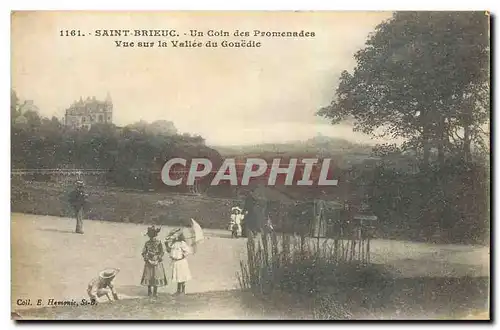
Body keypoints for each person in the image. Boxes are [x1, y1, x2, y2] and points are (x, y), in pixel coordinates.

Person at [141, 226, 168, 297]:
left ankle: (155, 292)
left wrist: (158, 259)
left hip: (156, 261)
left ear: (155, 235)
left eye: (153, 235)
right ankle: (149, 292)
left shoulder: (159, 242)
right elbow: (143, 252)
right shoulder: (147, 243)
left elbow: (162, 252)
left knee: (156, 276)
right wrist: (147, 259)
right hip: (149, 261)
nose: (152, 237)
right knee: (149, 276)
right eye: (150, 235)